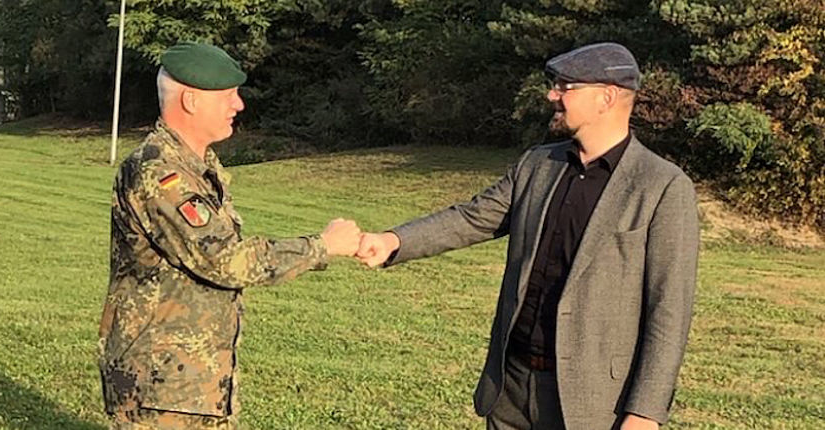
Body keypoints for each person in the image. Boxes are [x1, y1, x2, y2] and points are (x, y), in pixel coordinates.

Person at [356, 42, 699, 430]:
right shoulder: (538, 164)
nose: (553, 95)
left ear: (606, 97)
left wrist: (646, 413)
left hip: (593, 404)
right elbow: (472, 218)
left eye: (566, 87)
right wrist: (393, 241)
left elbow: (669, 310)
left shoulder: (662, 186)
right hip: (510, 389)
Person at [98, 41, 361, 429]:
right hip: (160, 388)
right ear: (190, 101)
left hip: (190, 383)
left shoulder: (194, 167)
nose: (238, 105)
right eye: (228, 95)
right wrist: (322, 246)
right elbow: (225, 260)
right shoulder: (159, 173)